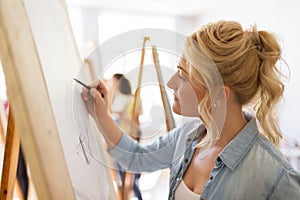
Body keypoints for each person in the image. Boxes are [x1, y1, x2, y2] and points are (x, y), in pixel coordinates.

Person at [82, 21, 300, 199]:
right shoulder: (186, 138)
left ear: (218, 95)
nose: (170, 83)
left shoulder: (276, 177)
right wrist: (100, 112)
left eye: (183, 76)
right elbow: (136, 158)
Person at [107, 73, 143, 200]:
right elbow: (137, 118)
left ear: (118, 83)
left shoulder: (122, 98)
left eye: (112, 82)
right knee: (129, 172)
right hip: (134, 135)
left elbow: (113, 112)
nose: (111, 85)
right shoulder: (135, 98)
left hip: (126, 137)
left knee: (127, 173)